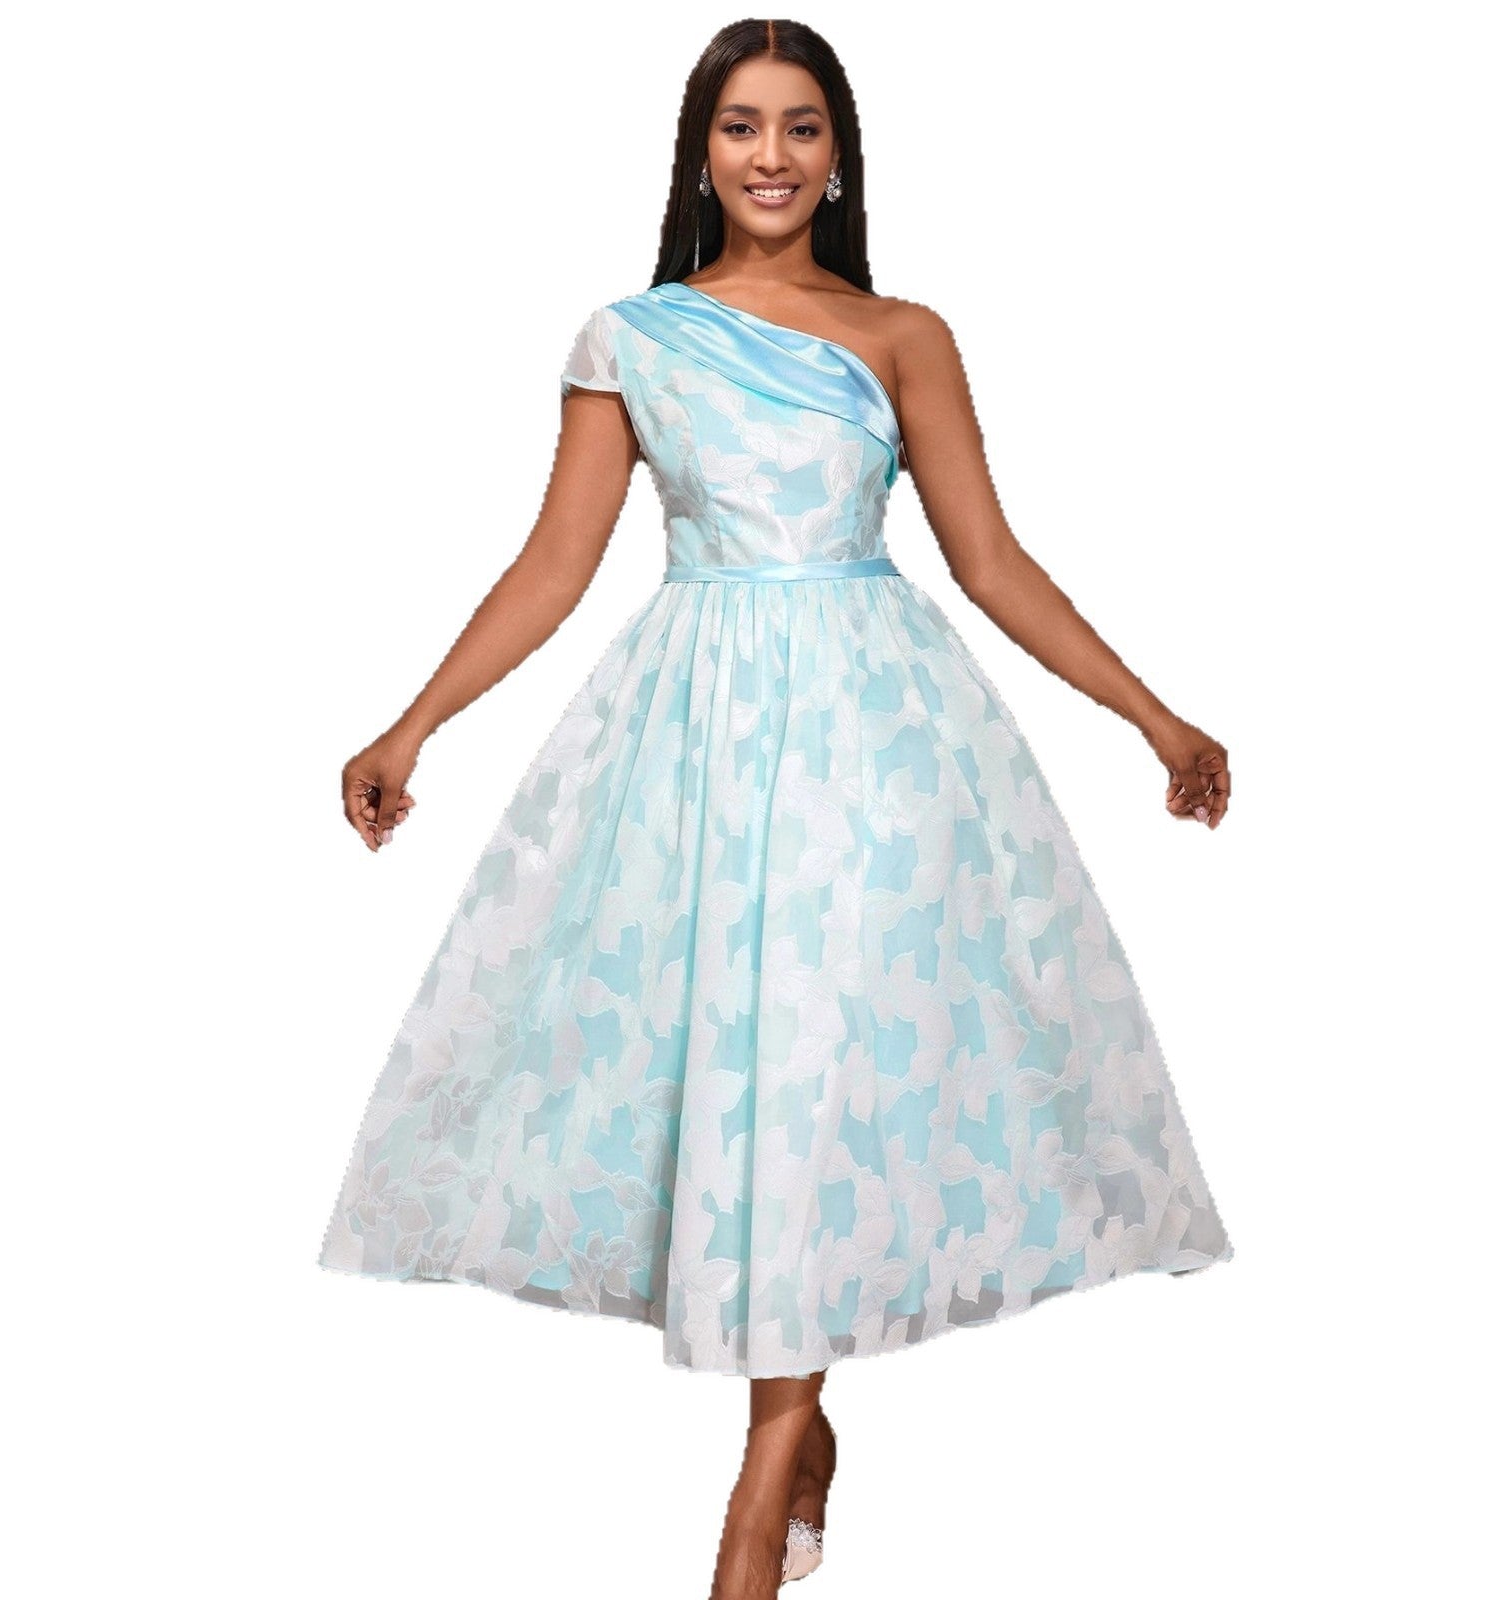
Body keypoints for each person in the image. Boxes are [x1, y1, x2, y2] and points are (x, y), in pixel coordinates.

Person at [317, 19, 1236, 1598]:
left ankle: (755, 1499)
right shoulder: (633, 338)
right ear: (699, 152)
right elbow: (555, 564)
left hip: (881, 747)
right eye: (742, 126)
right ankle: (797, 1434)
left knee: (816, 1080)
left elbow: (991, 561)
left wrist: (1154, 714)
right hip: (698, 747)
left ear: (840, 158)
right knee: (745, 1087)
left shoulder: (903, 336)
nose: (771, 156)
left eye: (802, 128)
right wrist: (415, 722)